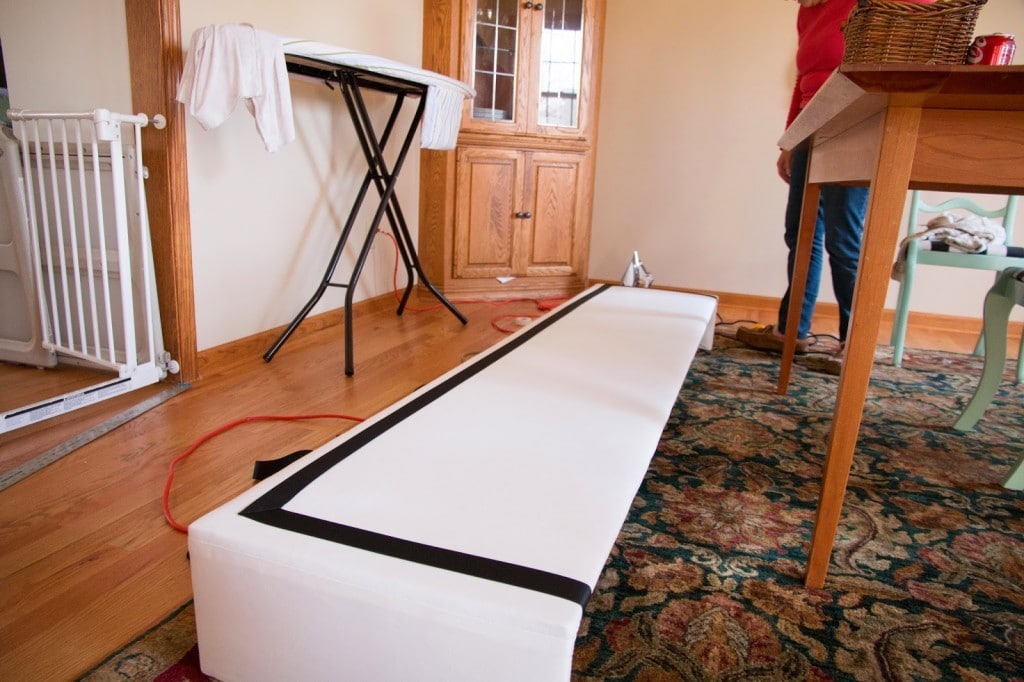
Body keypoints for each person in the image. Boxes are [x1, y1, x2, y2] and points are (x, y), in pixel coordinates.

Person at [737, 0, 930, 372]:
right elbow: (802, 79)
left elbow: (923, 10)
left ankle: (852, 343)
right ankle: (792, 332)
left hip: (855, 123)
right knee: (801, 234)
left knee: (844, 239)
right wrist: (790, 140)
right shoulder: (807, 12)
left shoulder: (864, 4)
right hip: (812, 127)